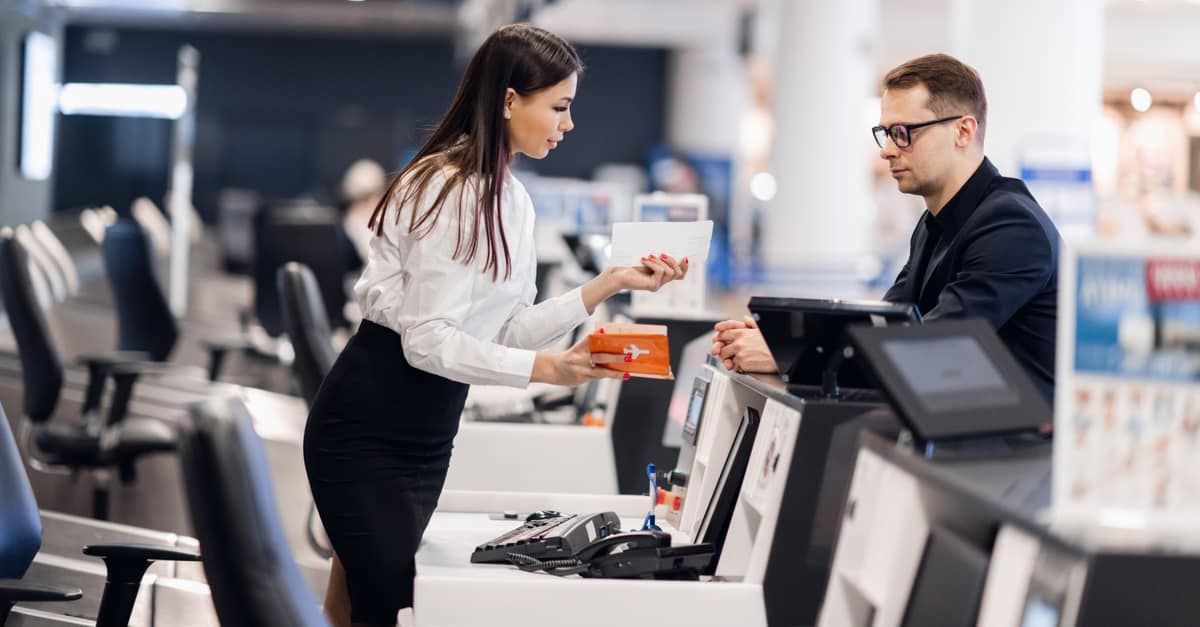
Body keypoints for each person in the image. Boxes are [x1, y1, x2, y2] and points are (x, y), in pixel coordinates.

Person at [304, 24, 689, 627]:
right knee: (388, 603)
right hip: (369, 430)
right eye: (559, 107)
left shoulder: (512, 199)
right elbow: (429, 342)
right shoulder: (449, 188)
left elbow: (502, 328)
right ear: (510, 101)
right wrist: (550, 369)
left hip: (428, 433)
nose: (567, 125)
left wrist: (605, 286)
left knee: (366, 595)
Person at [713, 53, 1060, 400]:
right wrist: (786, 342)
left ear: (963, 131)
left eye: (904, 133)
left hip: (1013, 446)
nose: (888, 151)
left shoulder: (1011, 228)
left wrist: (788, 357)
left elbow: (931, 351)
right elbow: (882, 329)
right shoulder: (934, 223)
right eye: (886, 134)